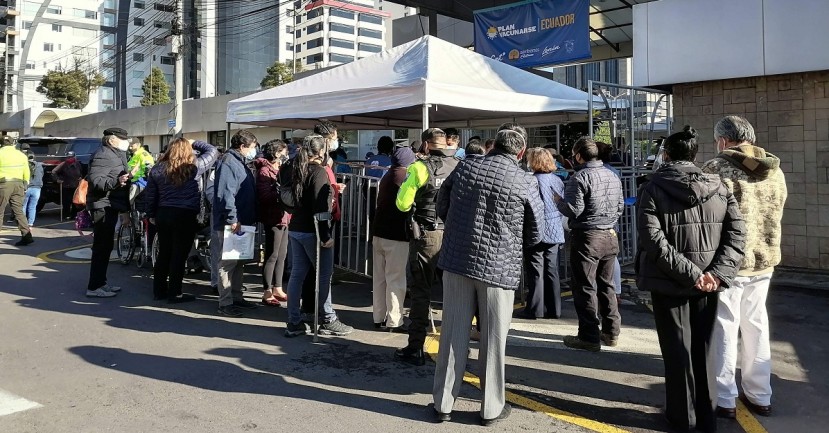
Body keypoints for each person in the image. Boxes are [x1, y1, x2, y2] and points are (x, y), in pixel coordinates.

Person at [433, 123, 545, 426]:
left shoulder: (466, 168)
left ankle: (443, 403)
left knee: (452, 333)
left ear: (493, 144)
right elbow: (537, 231)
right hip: (499, 267)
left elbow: (442, 205)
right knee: (494, 339)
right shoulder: (524, 181)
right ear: (521, 152)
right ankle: (490, 408)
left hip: (457, 260)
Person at [637, 126, 746, 432]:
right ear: (695, 154)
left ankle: (681, 417)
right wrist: (715, 274)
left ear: (667, 155)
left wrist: (697, 275)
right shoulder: (720, 186)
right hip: (707, 283)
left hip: (670, 281)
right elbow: (737, 235)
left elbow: (652, 240)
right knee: (704, 349)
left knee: (676, 351)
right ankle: (707, 416)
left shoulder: (652, 187)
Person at [702, 116, 787, 418]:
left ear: (723, 141)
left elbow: (706, 217)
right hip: (764, 258)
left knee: (724, 326)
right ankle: (760, 394)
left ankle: (724, 398)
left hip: (728, 261)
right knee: (756, 324)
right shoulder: (775, 171)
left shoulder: (715, 168)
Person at [394, 128, 460, 366]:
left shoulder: (420, 168)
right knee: (455, 292)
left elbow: (402, 204)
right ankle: (457, 349)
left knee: (421, 292)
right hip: (454, 235)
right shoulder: (459, 165)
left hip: (427, 235)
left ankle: (415, 348)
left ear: (425, 145)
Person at [555, 137, 624, 351]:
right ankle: (611, 332)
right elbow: (620, 206)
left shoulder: (579, 177)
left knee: (585, 286)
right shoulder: (613, 175)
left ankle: (588, 335)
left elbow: (573, 210)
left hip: (587, 236)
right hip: (609, 234)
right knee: (607, 285)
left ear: (578, 156)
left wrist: (558, 202)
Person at [282, 134, 353, 337]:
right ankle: (328, 319)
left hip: (296, 227)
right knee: (323, 276)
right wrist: (325, 235)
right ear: (321, 152)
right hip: (312, 230)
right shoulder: (318, 171)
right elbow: (320, 206)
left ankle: (294, 321)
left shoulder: (293, 167)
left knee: (297, 274)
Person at [145, 138, 218, 304]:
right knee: (179, 254)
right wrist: (195, 142)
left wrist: (151, 214)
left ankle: (159, 290)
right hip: (185, 214)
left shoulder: (157, 169)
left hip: (163, 213)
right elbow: (212, 151)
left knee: (164, 252)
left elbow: (151, 195)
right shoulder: (194, 167)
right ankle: (175, 292)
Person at [213, 130, 260, 317]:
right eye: (252, 147)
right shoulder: (228, 162)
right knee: (228, 263)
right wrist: (233, 219)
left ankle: (236, 296)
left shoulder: (238, 162)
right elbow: (226, 194)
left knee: (239, 261)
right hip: (232, 222)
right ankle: (225, 302)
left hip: (241, 220)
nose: (254, 151)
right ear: (242, 146)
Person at [515, 147, 565, 320]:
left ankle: (535, 309)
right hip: (555, 228)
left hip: (536, 228)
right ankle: (554, 309)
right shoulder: (557, 180)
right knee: (552, 270)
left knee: (536, 270)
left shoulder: (530, 181)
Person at [372, 144, 417, 331]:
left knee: (380, 278)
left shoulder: (387, 176)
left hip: (378, 232)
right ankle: (394, 320)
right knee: (395, 279)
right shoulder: (406, 177)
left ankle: (378, 316)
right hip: (396, 235)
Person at [85, 128, 132, 297]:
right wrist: (117, 181)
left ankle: (101, 283)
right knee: (102, 247)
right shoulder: (104, 154)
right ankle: (95, 286)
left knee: (105, 247)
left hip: (110, 205)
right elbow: (97, 181)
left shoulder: (115, 154)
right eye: (123, 139)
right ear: (112, 140)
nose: (127, 141)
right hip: (102, 206)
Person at [254, 139, 290, 306]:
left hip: (284, 216)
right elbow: (264, 197)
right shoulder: (264, 171)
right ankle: (267, 290)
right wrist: (279, 188)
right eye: (284, 151)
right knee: (272, 254)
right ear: (277, 153)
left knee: (282, 255)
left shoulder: (281, 169)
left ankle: (278, 287)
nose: (286, 154)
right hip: (273, 216)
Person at [597, 142, 624, 302]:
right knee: (612, 257)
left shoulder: (593, 172)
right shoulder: (615, 172)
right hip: (612, 218)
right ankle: (616, 291)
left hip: (598, 220)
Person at [0, 137, 33, 246]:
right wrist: (25, 184)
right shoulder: (21, 155)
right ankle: (26, 235)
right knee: (18, 211)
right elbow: (26, 171)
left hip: (3, 184)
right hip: (19, 184)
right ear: (13, 143)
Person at [52, 152, 83, 219]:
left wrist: (80, 177)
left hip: (76, 186)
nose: (69, 158)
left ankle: (74, 215)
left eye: (71, 157)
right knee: (66, 202)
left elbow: (80, 172)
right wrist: (57, 180)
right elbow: (54, 172)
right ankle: (66, 215)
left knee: (75, 202)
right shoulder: (63, 164)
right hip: (66, 186)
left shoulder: (77, 164)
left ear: (74, 157)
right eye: (68, 157)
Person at [22, 153, 44, 227]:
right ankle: (30, 223)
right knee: (33, 207)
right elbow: (42, 174)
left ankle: (23, 222)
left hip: (26, 187)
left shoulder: (25, 165)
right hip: (37, 188)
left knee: (23, 206)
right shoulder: (39, 166)